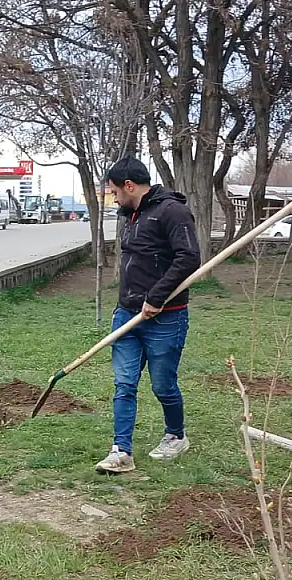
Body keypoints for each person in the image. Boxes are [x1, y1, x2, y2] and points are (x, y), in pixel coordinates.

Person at [95, 156, 201, 474]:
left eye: (115, 191)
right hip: (126, 315)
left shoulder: (173, 212)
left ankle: (175, 435)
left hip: (166, 318)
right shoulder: (135, 214)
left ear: (130, 186)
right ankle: (121, 451)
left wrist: (156, 298)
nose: (114, 198)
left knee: (163, 385)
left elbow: (188, 258)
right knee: (124, 383)